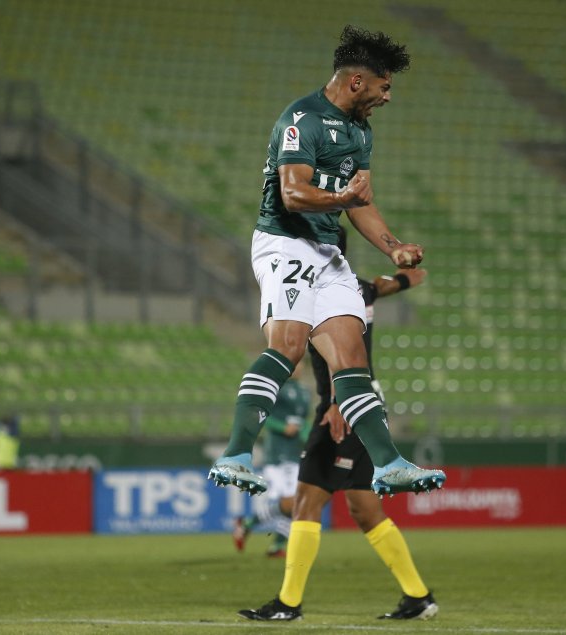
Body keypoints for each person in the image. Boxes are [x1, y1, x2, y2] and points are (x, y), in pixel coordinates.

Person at [208, 25, 445, 498]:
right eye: (384, 87)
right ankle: (236, 453)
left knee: (352, 357)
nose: (387, 97)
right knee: (290, 345)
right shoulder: (303, 119)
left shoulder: (360, 131)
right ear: (357, 82)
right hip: (285, 242)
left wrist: (392, 246)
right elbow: (293, 194)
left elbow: (359, 202)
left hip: (327, 250)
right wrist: (340, 196)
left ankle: (387, 464)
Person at [239, 226, 436, 621]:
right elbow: (414, 276)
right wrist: (403, 272)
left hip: (341, 407)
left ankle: (288, 604)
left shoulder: (314, 292)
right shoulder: (362, 288)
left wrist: (333, 403)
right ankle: (418, 596)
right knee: (364, 509)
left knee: (308, 504)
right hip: (366, 403)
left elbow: (336, 354)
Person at [233, 362, 312, 557]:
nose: (297, 367)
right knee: (290, 503)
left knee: (297, 503)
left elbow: (303, 424)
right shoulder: (276, 388)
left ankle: (274, 544)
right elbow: (261, 414)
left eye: (300, 363)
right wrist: (282, 427)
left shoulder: (305, 392)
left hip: (296, 452)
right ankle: (252, 527)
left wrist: (311, 440)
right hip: (277, 453)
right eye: (294, 363)